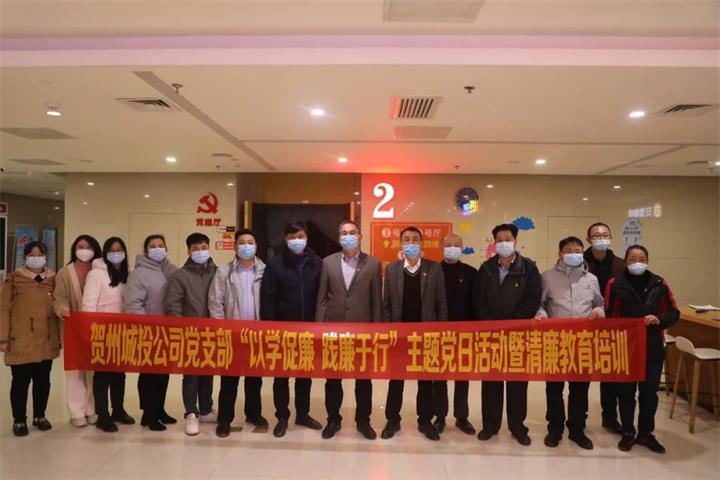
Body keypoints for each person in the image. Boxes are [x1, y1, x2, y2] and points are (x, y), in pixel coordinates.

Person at [605, 244, 679, 454]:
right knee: (626, 392)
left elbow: (674, 312)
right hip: (625, 347)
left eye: (641, 259)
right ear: (625, 261)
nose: (637, 263)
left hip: (652, 347)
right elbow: (608, 313)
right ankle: (628, 431)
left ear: (647, 261)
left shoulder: (659, 283)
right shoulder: (615, 283)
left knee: (649, 393)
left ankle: (646, 433)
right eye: (632, 259)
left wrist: (659, 319)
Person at [474, 223, 541, 446]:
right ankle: (490, 426)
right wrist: (491, 324)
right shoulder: (486, 268)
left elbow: (533, 299)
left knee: (517, 382)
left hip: (518, 334)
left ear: (515, 241)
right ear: (494, 243)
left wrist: (512, 324)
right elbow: (478, 299)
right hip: (491, 334)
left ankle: (517, 427)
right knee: (491, 381)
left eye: (508, 239)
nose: (504, 243)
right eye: (500, 239)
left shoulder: (529, 268)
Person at [536, 236, 604, 450]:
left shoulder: (591, 279)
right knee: (554, 389)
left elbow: (599, 302)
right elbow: (540, 303)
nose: (573, 254)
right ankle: (555, 429)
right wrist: (541, 314)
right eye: (568, 250)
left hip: (583, 343)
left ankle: (577, 430)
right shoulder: (547, 277)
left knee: (580, 389)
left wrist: (599, 310)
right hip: (555, 341)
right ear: (560, 253)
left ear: (583, 252)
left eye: (577, 250)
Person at [316, 220, 382, 440]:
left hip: (362, 332)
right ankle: (333, 420)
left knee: (363, 380)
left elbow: (376, 302)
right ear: (339, 237)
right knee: (333, 380)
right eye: (344, 233)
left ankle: (363, 421)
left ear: (360, 236)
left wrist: (376, 332)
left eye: (352, 232)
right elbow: (322, 299)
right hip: (333, 330)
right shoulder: (327, 263)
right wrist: (319, 330)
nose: (348, 236)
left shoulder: (373, 264)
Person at [381, 226, 448, 441]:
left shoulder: (434, 268)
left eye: (415, 239)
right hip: (399, 336)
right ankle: (393, 420)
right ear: (401, 243)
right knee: (396, 380)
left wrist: (440, 333)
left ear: (421, 243)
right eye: (407, 239)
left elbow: (441, 305)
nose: (411, 243)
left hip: (426, 336)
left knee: (425, 381)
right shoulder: (392, 269)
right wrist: (389, 332)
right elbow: (386, 305)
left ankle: (425, 421)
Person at [260, 221, 323, 438]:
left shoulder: (317, 263)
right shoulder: (275, 264)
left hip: (309, 331)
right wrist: (270, 328)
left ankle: (303, 414)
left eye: (300, 236)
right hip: (282, 331)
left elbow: (322, 296)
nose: (297, 240)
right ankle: (282, 417)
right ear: (285, 240)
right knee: (282, 376)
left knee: (305, 375)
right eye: (292, 237)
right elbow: (268, 298)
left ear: (307, 237)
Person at [209, 228, 267, 438]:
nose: (246, 246)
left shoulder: (265, 271)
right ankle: (225, 419)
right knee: (229, 380)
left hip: (256, 334)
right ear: (235, 246)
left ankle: (253, 414)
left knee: (255, 379)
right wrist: (222, 329)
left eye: (250, 242)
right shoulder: (224, 271)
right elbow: (215, 302)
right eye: (242, 242)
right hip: (231, 334)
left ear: (256, 246)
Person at [0, 242, 59, 436]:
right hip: (21, 338)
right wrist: (2, 338)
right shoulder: (14, 280)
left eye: (40, 254)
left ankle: (39, 415)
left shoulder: (53, 280)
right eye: (32, 255)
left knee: (43, 381)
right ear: (25, 257)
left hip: (46, 339)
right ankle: (19, 419)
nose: (36, 258)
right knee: (20, 382)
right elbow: (3, 310)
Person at [165, 232, 218, 436]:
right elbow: (174, 305)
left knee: (208, 371)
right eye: (196, 248)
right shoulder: (180, 276)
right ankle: (191, 413)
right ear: (188, 251)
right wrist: (180, 329)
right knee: (191, 375)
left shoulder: (217, 272)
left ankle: (205, 409)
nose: (200, 252)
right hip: (189, 333)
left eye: (204, 247)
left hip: (212, 332)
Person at [124, 234, 177, 431]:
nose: (157, 249)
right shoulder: (138, 274)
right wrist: (145, 328)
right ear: (146, 251)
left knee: (163, 373)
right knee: (149, 374)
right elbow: (133, 304)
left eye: (161, 245)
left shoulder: (171, 270)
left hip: (167, 331)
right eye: (153, 246)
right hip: (147, 332)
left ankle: (159, 409)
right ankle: (148, 414)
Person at [82, 236, 135, 432]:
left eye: (120, 250)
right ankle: (102, 415)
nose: (116, 253)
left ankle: (118, 410)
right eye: (112, 250)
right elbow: (88, 304)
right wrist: (90, 331)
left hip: (123, 332)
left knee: (119, 374)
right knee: (103, 375)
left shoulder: (128, 274)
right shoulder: (95, 274)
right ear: (105, 253)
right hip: (102, 332)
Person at [53, 234, 102, 427]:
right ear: (74, 249)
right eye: (81, 246)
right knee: (74, 371)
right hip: (72, 329)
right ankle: (76, 412)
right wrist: (62, 309)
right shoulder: (64, 273)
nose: (85, 250)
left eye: (89, 247)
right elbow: (59, 297)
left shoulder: (100, 270)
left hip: (95, 330)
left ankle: (92, 409)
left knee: (93, 371)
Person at [584, 222, 626, 434]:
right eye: (596, 235)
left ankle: (609, 417)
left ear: (611, 237)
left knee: (610, 376)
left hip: (612, 328)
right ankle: (578, 420)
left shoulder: (621, 265)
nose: (601, 238)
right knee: (580, 376)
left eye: (605, 234)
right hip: (583, 328)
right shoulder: (578, 261)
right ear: (588, 239)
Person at [433, 233, 476, 436]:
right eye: (448, 245)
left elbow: (475, 303)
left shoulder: (471, 273)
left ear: (462, 248)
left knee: (462, 377)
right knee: (439, 377)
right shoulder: (433, 271)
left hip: (464, 334)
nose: (452, 248)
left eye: (456, 245)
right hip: (438, 333)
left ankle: (462, 417)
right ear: (441, 248)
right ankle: (440, 416)